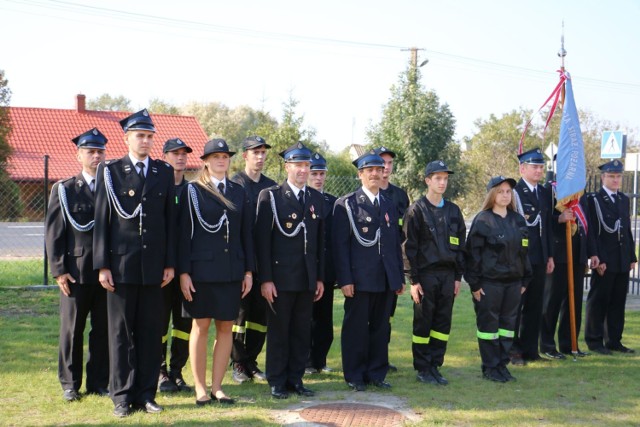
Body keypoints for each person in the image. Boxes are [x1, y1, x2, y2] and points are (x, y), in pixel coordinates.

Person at [93, 109, 176, 417]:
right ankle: (122, 396)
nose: (145, 141)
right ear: (126, 137)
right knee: (121, 334)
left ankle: (146, 393)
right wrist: (102, 264)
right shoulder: (110, 171)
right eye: (140, 135)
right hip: (121, 266)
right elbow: (102, 220)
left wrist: (170, 262)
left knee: (151, 332)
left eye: (150, 136)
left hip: (154, 268)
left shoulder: (163, 172)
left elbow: (170, 222)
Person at [178, 139, 254, 405]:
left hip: (231, 270)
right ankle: (200, 387)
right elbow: (184, 234)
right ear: (206, 161)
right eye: (216, 156)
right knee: (200, 326)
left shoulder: (237, 191)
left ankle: (218, 387)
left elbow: (246, 234)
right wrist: (184, 273)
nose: (222, 160)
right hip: (201, 271)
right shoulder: (193, 191)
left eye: (225, 156)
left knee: (226, 328)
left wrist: (248, 271)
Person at [255, 142, 325, 399]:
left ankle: (296, 378)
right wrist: (266, 279)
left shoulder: (315, 198)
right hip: (280, 278)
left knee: (301, 331)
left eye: (307, 166)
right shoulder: (271, 196)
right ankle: (276, 379)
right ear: (287, 167)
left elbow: (319, 242)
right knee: (279, 331)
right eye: (298, 165)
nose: (304, 171)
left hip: (306, 277)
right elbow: (262, 242)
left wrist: (319, 277)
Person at [45, 128, 109, 402]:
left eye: (100, 152)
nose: (96, 156)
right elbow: (54, 232)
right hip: (75, 272)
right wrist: (59, 269)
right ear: (79, 155)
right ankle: (70, 383)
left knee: (103, 330)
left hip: (106, 272)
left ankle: (98, 382)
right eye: (90, 152)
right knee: (72, 330)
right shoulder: (65, 189)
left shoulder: (112, 188)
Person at [333, 151, 405, 391]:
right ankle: (354, 375)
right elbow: (340, 247)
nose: (375, 173)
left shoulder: (388, 204)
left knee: (380, 328)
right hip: (359, 279)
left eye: (378, 169)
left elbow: (394, 243)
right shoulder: (347, 204)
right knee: (356, 330)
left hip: (385, 278)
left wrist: (398, 276)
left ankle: (376, 373)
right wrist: (345, 279)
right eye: (369, 170)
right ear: (360, 174)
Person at [402, 160, 466, 385]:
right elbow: (409, 248)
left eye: (445, 178)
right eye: (437, 178)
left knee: (442, 324)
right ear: (427, 181)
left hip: (448, 277)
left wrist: (458, 277)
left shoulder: (454, 211)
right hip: (426, 277)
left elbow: (460, 247)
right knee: (423, 323)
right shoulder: (416, 210)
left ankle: (435, 365)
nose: (442, 182)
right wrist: (414, 280)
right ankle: (422, 368)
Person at [465, 176, 532, 382]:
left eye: (508, 192)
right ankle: (490, 367)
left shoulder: (518, 220)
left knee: (507, 327)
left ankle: (502, 365)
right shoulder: (482, 220)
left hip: (513, 284)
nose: (505, 195)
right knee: (488, 328)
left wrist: (524, 281)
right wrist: (475, 284)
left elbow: (524, 253)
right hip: (489, 284)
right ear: (492, 194)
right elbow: (472, 255)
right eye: (500, 191)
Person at [230, 135, 275, 383]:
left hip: (264, 261)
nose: (259, 157)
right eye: (254, 152)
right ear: (245, 155)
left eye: (262, 152)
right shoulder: (236, 184)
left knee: (260, 316)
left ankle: (252, 361)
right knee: (239, 316)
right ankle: (237, 362)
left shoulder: (271, 187)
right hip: (240, 260)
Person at [585, 160, 636, 354]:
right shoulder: (595, 200)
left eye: (618, 176)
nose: (616, 180)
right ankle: (594, 340)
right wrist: (597, 256)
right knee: (599, 300)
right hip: (605, 258)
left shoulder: (623, 199)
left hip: (622, 258)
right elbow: (593, 232)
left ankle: (614, 340)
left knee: (617, 302)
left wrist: (631, 256)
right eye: (612, 176)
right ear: (603, 177)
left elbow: (626, 230)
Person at [511, 148, 554, 365]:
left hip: (539, 258)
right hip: (521, 258)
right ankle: (514, 350)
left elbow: (545, 227)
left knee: (536, 305)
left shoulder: (544, 193)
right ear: (522, 168)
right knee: (516, 305)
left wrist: (549, 256)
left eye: (540, 167)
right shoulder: (514, 192)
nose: (539, 170)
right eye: (534, 166)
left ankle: (531, 349)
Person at [158, 138, 194, 392]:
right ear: (165, 156)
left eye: (184, 153)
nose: (180, 158)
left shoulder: (193, 191)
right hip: (162, 268)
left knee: (184, 323)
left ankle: (177, 371)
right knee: (159, 322)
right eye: (175, 153)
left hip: (188, 269)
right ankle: (159, 371)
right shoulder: (158, 187)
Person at [540, 193, 589, 359]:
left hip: (577, 253)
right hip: (558, 252)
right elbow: (544, 223)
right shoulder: (549, 190)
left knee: (574, 302)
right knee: (552, 302)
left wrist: (592, 253)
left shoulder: (581, 194)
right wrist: (558, 219)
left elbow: (588, 224)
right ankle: (547, 345)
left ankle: (570, 344)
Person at [374, 146, 410, 372]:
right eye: (382, 163)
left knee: (386, 316)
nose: (386, 168)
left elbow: (404, 234)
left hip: (391, 266)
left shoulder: (399, 195)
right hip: (370, 265)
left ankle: (382, 359)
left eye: (389, 164)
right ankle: (368, 357)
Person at [305, 152, 338, 374]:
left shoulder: (333, 202)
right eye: (314, 173)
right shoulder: (302, 198)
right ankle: (307, 360)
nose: (318, 178)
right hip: (306, 267)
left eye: (321, 174)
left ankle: (321, 360)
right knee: (306, 316)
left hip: (326, 268)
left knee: (324, 318)